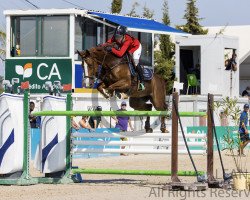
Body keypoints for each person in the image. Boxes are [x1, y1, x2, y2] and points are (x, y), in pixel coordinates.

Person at [104, 25, 145, 91]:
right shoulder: (115, 37)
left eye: (119, 37)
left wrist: (111, 49)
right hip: (127, 48)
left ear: (123, 36)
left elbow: (120, 54)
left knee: (135, 61)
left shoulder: (127, 41)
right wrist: (101, 46)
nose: (117, 38)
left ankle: (142, 82)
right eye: (116, 36)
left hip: (136, 47)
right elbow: (107, 43)